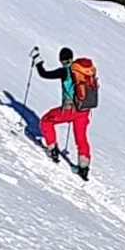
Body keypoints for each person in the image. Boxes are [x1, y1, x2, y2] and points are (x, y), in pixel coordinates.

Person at [31, 45, 97, 180]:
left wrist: (38, 60)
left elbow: (44, 74)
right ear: (71, 58)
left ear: (61, 59)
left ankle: (52, 149)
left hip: (69, 110)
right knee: (81, 138)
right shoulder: (82, 72)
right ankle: (84, 167)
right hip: (84, 111)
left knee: (46, 120)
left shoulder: (65, 71)